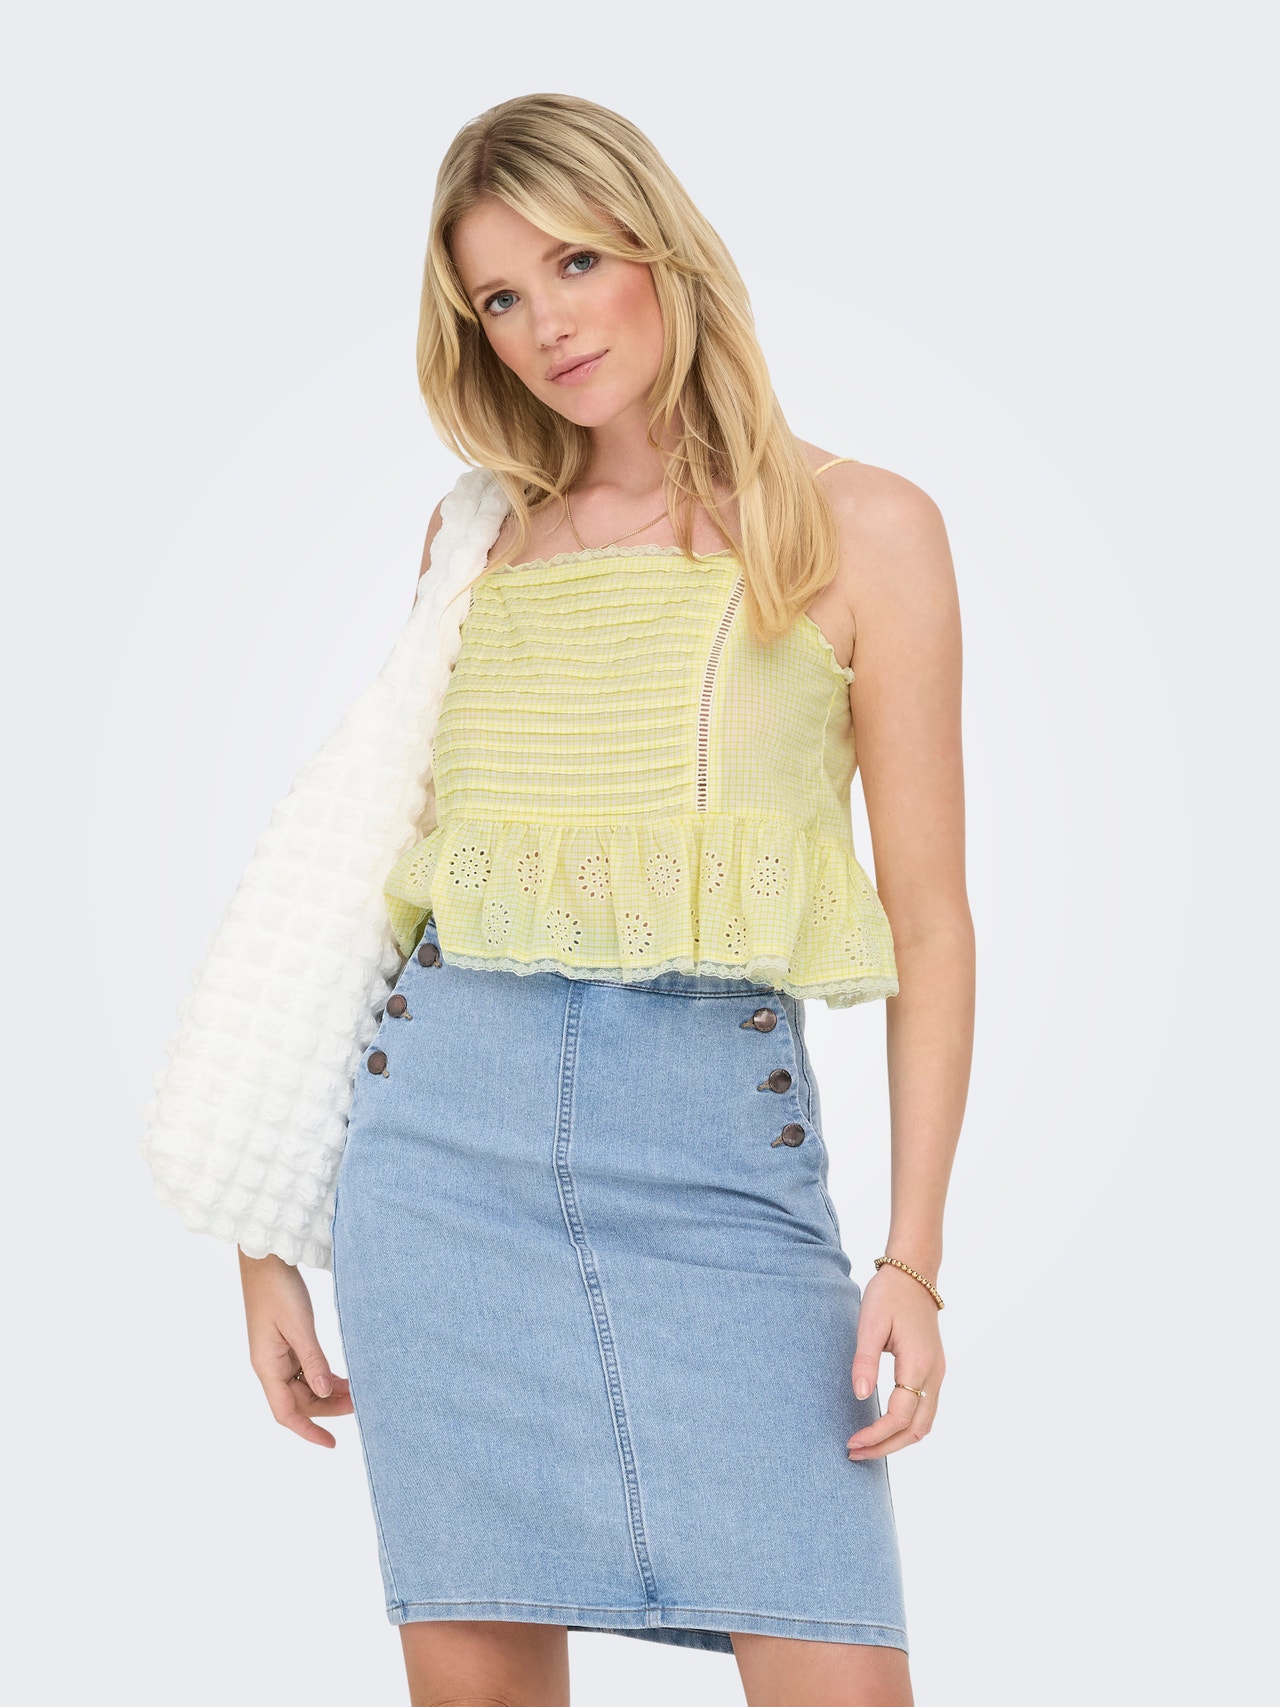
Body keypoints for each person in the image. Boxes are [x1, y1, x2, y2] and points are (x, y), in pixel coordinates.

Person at [165, 92, 973, 1707]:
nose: (544, 325)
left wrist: (913, 1255)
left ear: (661, 249)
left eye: (575, 263)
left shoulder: (863, 528)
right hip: (440, 1174)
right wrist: (264, 1238)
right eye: (499, 297)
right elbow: (358, 883)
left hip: (720, 1179)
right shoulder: (478, 540)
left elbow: (933, 914)